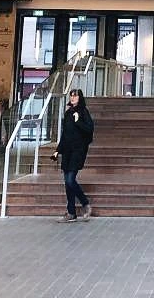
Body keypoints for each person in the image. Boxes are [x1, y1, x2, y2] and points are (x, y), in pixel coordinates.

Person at [51, 88, 95, 222]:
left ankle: (85, 203)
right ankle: (71, 213)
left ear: (79, 98)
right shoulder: (68, 113)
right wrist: (58, 150)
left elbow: (89, 130)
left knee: (70, 180)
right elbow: (65, 134)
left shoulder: (83, 112)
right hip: (67, 151)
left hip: (78, 151)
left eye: (75, 96)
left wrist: (78, 121)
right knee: (67, 182)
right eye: (71, 96)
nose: (72, 98)